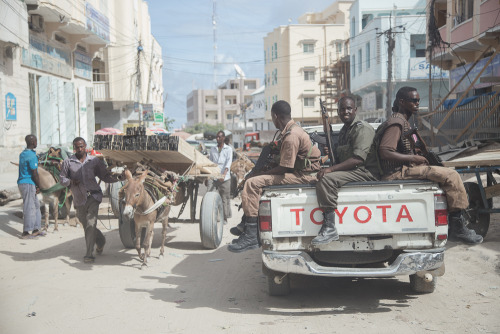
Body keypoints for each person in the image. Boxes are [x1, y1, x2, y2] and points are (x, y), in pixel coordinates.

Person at [375, 86, 482, 244]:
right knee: (452, 176)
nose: (417, 103)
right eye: (413, 100)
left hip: (403, 169)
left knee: (444, 170)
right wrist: (413, 158)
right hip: (396, 172)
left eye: (418, 100)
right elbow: (385, 151)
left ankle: (453, 221)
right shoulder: (397, 122)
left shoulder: (403, 121)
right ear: (402, 101)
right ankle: (458, 229)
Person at [228, 100, 321, 253]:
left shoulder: (291, 136)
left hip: (304, 176)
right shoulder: (291, 130)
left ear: (276, 116)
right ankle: (247, 225)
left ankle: (251, 235)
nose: (273, 121)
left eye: (272, 118)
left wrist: (263, 173)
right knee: (255, 179)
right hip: (301, 172)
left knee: (252, 183)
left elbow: (286, 167)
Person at [313, 96, 380, 245]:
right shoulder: (345, 131)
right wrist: (330, 151)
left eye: (349, 108)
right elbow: (342, 159)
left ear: (355, 110)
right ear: (338, 112)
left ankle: (330, 228)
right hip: (354, 170)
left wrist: (330, 169)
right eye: (342, 109)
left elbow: (358, 159)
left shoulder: (362, 128)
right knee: (317, 175)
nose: (345, 112)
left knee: (326, 179)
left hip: (366, 172)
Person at [60, 137, 124, 263]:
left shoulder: (94, 161)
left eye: (82, 146)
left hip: (94, 196)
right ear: (74, 148)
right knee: (86, 224)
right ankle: (100, 240)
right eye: (77, 147)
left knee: (90, 223)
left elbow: (104, 176)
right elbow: (62, 179)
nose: (79, 149)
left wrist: (119, 178)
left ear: (85, 146)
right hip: (78, 199)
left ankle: (89, 254)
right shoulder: (68, 162)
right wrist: (71, 181)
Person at [17, 135, 43, 239]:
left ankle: (36, 229)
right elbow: (34, 173)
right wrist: (39, 185)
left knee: (36, 205)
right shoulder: (32, 156)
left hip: (26, 183)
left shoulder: (23, 154)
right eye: (36, 141)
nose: (37, 143)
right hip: (28, 183)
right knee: (29, 207)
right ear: (33, 142)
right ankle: (26, 232)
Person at [207, 130, 233, 224]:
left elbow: (228, 163)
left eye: (219, 137)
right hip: (214, 177)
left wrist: (224, 174)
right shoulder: (213, 149)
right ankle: (211, 216)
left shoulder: (228, 149)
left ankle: (224, 218)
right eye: (217, 137)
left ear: (223, 138)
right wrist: (209, 175)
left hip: (224, 178)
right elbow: (210, 162)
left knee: (224, 198)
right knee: (210, 195)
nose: (217, 138)